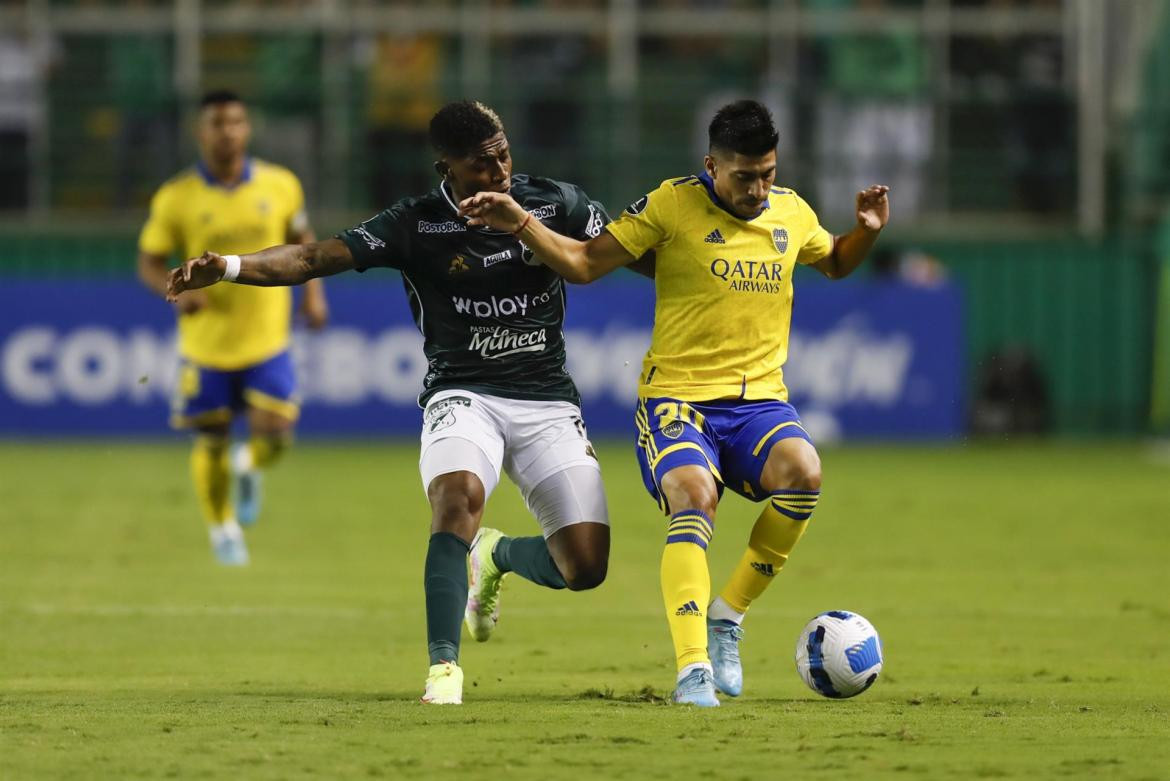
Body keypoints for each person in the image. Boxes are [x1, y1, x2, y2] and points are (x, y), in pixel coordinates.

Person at [166, 100, 629, 705]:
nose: (498, 172)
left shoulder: (555, 203)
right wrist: (227, 266)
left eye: (504, 155)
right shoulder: (416, 223)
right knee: (458, 496)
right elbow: (311, 257)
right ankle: (443, 670)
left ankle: (496, 555)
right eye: (482, 165)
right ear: (448, 167)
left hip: (546, 400)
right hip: (463, 393)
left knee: (585, 566)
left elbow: (632, 251)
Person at [460, 99, 890, 707]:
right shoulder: (670, 204)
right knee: (695, 496)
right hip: (677, 400)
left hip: (759, 402)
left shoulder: (792, 212)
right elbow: (584, 264)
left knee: (805, 475)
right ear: (712, 165)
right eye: (744, 176)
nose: (758, 188)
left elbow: (836, 262)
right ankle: (692, 670)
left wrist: (865, 234)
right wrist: (522, 224)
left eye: (767, 172)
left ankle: (726, 619)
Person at [137, 89, 328, 566]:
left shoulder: (280, 184)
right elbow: (149, 259)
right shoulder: (176, 196)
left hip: (267, 336)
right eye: (218, 123)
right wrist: (177, 292)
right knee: (212, 439)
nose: (229, 131)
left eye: (237, 122)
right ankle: (223, 530)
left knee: (278, 430)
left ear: (247, 128)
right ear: (201, 132)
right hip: (207, 344)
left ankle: (250, 466)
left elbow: (302, 240)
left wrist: (315, 293)